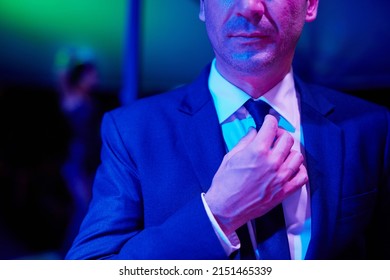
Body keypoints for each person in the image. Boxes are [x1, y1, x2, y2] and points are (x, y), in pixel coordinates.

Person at [66, 0, 390, 260]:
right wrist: (218, 214)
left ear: (310, 4)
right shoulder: (134, 132)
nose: (250, 6)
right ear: (203, 6)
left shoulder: (371, 128)